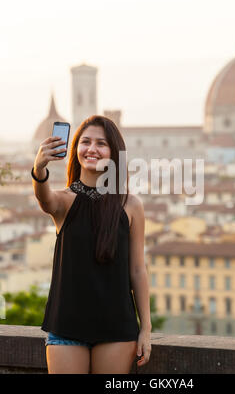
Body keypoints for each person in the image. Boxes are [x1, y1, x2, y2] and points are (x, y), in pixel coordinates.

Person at [31, 115, 151, 374]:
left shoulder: (130, 205)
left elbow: (138, 270)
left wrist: (146, 328)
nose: (92, 149)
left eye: (101, 143)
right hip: (66, 325)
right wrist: (39, 169)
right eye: (85, 142)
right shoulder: (64, 201)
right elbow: (44, 198)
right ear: (75, 150)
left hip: (117, 328)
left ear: (114, 153)